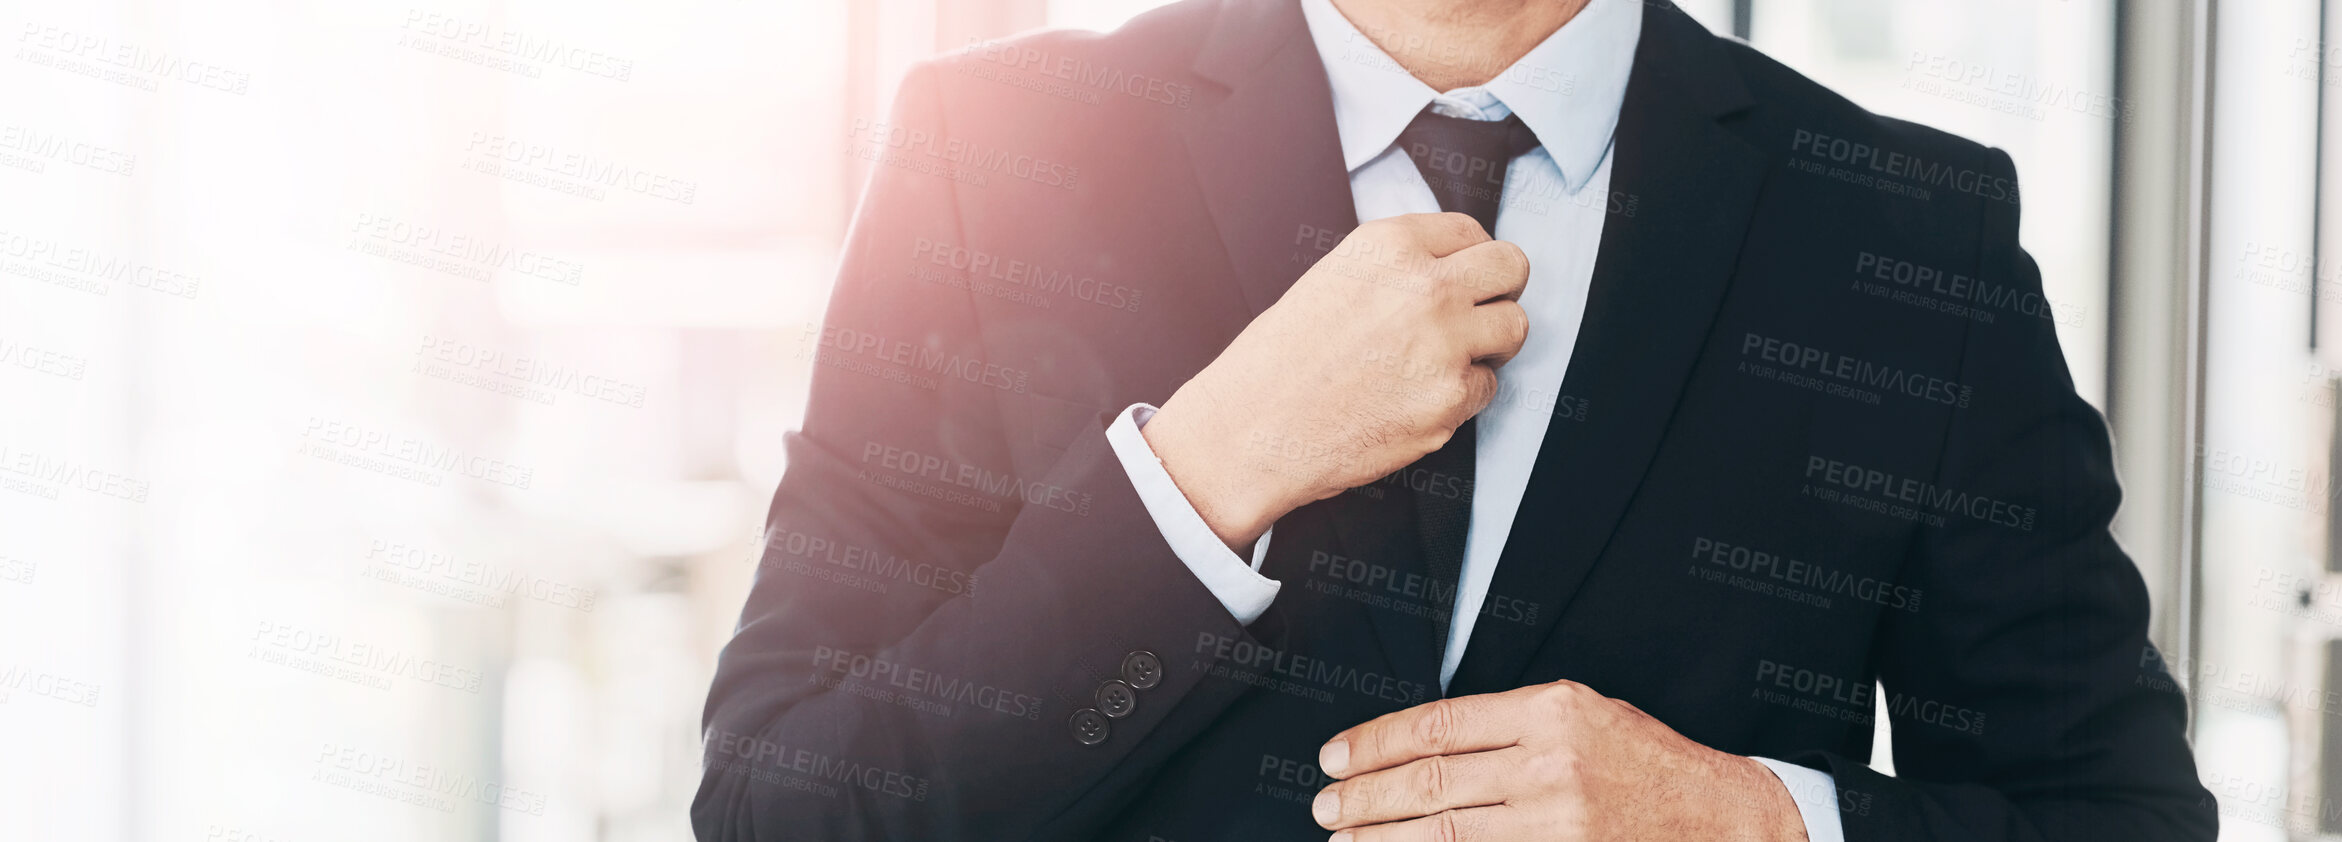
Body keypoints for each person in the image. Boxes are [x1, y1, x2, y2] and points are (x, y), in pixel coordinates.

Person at [693, 0, 2217, 838]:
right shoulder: (998, 154)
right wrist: (1200, 474)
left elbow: (2124, 819)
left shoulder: (1908, 237)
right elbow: (783, 806)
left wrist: (1748, 825)